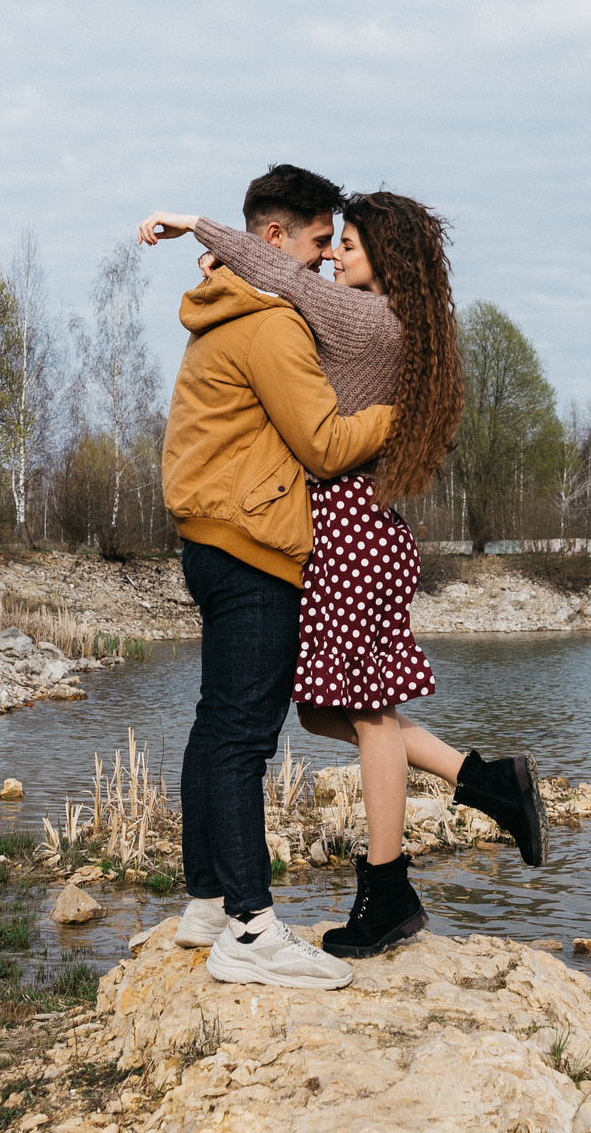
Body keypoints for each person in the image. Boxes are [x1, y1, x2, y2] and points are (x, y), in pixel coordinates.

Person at [141, 185, 548, 961]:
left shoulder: (368, 318)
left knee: (363, 716)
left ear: (384, 259)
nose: (331, 258)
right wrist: (235, 261)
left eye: (347, 246)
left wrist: (200, 225)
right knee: (331, 713)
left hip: (350, 527)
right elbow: (283, 278)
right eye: (331, 243)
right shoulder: (395, 322)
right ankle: (487, 781)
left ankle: (388, 889)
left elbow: (288, 278)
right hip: (352, 528)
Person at [157, 164, 393, 989]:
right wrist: (402, 413)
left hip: (212, 535)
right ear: (273, 241)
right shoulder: (270, 324)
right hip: (254, 544)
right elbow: (325, 443)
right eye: (320, 241)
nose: (326, 262)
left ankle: (208, 902)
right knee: (243, 738)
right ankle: (253, 930)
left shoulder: (222, 313)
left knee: (214, 722)